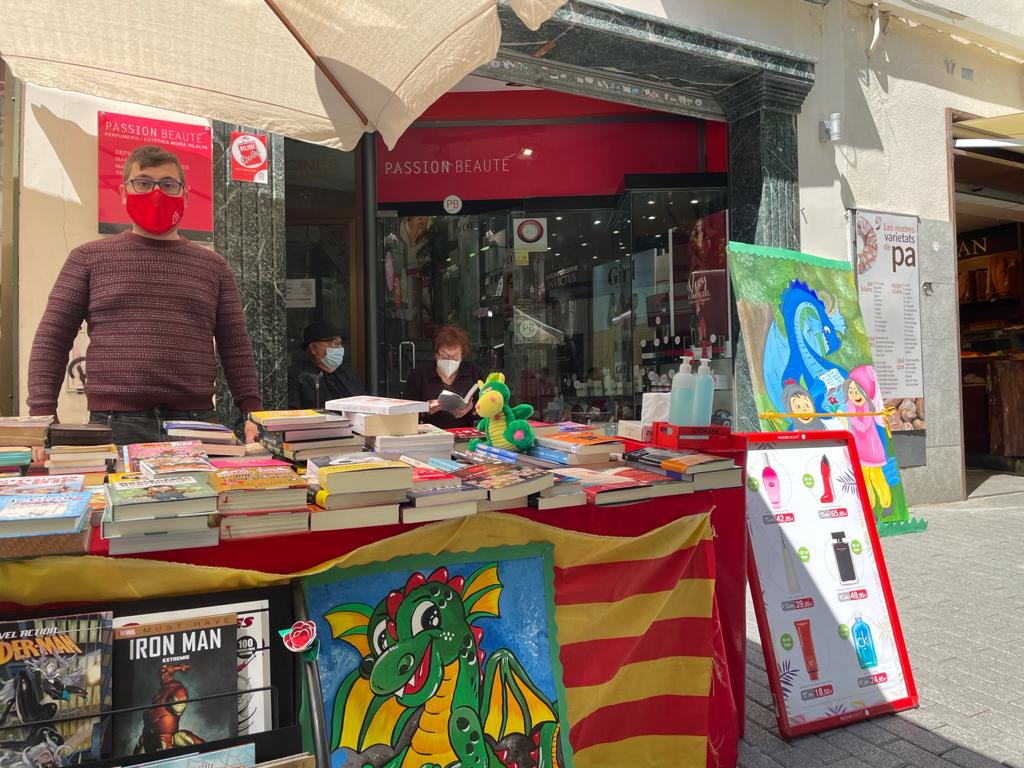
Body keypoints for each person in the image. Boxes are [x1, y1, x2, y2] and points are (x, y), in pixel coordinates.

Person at [27, 145, 262, 452]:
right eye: (143, 182)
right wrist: (41, 418)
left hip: (197, 423)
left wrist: (253, 413)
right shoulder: (87, 258)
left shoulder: (213, 266)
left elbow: (236, 346)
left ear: (185, 195)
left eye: (167, 184)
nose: (156, 192)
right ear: (124, 193)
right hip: (114, 424)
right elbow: (51, 339)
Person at [403, 325, 484, 429]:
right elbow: (405, 411)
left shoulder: (474, 372)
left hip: (464, 433)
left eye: (455, 356)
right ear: (436, 355)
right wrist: (424, 409)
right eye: (445, 356)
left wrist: (471, 408)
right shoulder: (419, 375)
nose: (450, 360)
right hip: (429, 434)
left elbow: (488, 406)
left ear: (462, 356)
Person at [287, 320, 365, 408]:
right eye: (335, 344)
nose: (340, 348)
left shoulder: (348, 374)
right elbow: (293, 412)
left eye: (340, 344)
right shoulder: (295, 375)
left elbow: (364, 403)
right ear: (313, 348)